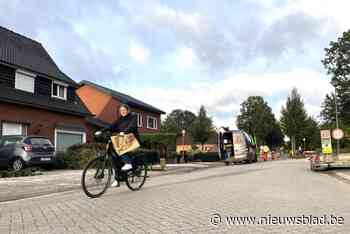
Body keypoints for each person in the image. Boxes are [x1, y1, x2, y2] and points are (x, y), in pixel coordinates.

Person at [106, 104, 140, 187]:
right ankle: (117, 179)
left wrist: (124, 132)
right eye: (121, 111)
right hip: (123, 138)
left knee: (119, 146)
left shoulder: (133, 116)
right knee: (114, 159)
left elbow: (132, 126)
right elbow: (112, 126)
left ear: (128, 110)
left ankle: (128, 163)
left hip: (132, 138)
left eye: (124, 110)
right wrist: (102, 130)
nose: (122, 112)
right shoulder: (120, 119)